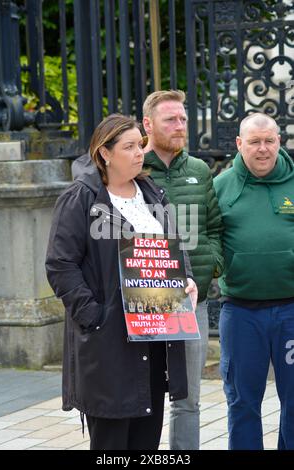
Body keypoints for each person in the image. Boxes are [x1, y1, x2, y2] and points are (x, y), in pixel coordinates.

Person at [45, 114, 197, 451]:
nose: (139, 153)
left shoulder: (152, 194)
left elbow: (173, 248)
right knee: (113, 445)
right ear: (105, 153)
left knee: (147, 443)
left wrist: (185, 279)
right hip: (109, 344)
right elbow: (60, 265)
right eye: (128, 147)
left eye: (139, 145)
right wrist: (94, 317)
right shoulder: (81, 198)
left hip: (156, 338)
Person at [142, 90, 224, 450]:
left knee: (187, 400)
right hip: (145, 304)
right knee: (141, 398)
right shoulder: (133, 167)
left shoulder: (199, 170)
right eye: (170, 120)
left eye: (183, 120)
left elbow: (215, 227)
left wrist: (212, 265)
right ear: (148, 124)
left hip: (194, 303)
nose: (180, 127)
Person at [213, 112, 294, 450]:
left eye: (269, 141)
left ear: (279, 142)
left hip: (291, 310)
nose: (262, 149)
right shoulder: (220, 186)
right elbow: (209, 239)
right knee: (243, 401)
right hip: (241, 312)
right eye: (254, 142)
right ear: (239, 144)